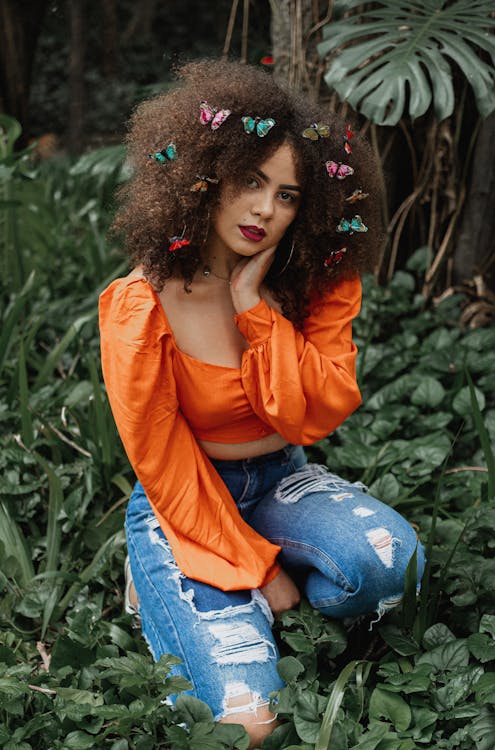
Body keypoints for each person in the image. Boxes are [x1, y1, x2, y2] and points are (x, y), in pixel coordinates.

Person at [99, 59, 425, 748]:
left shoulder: (312, 287)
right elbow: (160, 457)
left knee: (395, 563)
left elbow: (313, 413)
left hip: (281, 476)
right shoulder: (142, 301)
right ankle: (160, 577)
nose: (264, 210)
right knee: (249, 727)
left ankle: (239, 591)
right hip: (185, 499)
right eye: (250, 181)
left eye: (287, 196)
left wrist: (255, 309)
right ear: (206, 174)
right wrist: (262, 570)